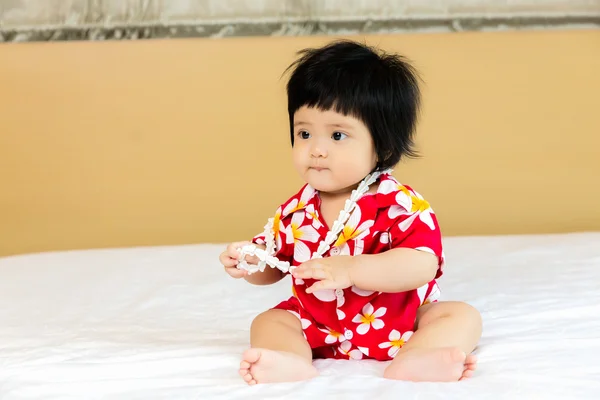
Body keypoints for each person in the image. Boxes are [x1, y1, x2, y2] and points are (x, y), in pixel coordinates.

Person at [219, 39, 482, 385]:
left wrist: (354, 268)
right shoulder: (296, 211)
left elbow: (422, 264)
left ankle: (419, 357)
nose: (317, 150)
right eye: (305, 133)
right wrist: (252, 262)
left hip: (397, 322)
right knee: (268, 322)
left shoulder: (399, 205)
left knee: (462, 316)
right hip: (318, 327)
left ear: (383, 146)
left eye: (338, 135)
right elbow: (275, 264)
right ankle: (289, 360)